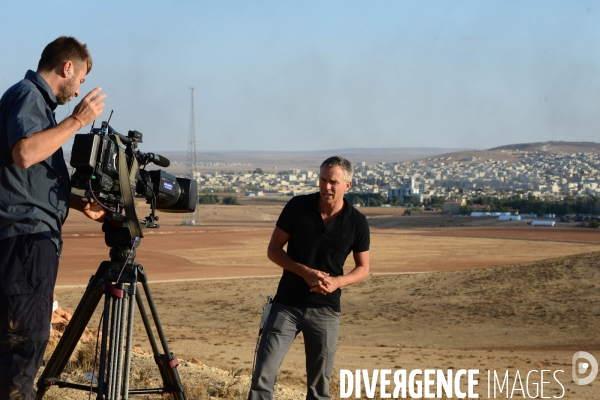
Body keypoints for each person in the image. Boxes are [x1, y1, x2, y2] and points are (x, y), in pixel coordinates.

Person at [0, 36, 106, 400]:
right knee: (23, 349)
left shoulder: (35, 107)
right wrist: (77, 121)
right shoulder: (30, 96)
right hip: (27, 242)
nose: (78, 92)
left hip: (22, 241)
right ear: (67, 68)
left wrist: (78, 203)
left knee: (16, 352)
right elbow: (25, 153)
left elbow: (27, 181)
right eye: (79, 81)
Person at [249, 156, 370, 400]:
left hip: (326, 311)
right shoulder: (297, 207)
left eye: (333, 182)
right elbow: (273, 250)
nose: (326, 186)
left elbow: (363, 268)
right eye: (323, 180)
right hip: (286, 306)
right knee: (263, 374)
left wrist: (337, 282)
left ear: (348, 185)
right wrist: (304, 272)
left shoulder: (357, 222)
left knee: (319, 387)